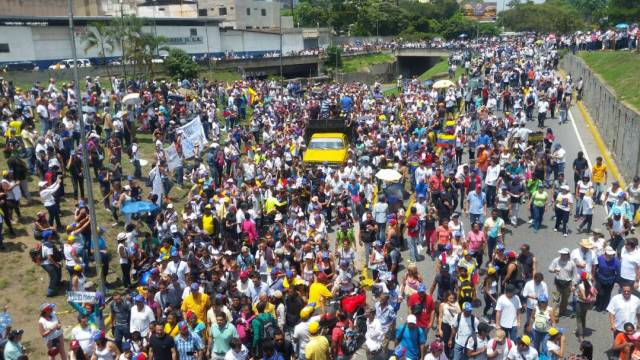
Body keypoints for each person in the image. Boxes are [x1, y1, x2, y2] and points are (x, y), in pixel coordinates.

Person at [548, 248, 576, 317]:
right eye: (561, 254)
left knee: (565, 299)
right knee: (555, 298)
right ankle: (554, 313)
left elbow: (574, 275)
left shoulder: (571, 263)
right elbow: (550, 269)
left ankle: (562, 311)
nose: (562, 255)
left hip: (567, 283)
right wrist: (554, 270)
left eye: (564, 254)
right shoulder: (556, 260)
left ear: (568, 255)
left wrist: (573, 285)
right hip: (557, 282)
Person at [594, 246, 620, 312]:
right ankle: (598, 305)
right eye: (609, 255)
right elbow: (595, 268)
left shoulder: (616, 261)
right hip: (600, 279)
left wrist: (616, 281)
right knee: (600, 293)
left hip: (610, 280)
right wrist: (594, 277)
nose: (610, 256)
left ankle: (605, 306)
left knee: (607, 294)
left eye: (612, 255)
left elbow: (618, 272)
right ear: (605, 253)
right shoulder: (600, 258)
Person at [574, 272, 596, 343]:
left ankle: (581, 336)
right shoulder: (590, 284)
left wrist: (577, 293)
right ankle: (583, 330)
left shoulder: (581, 285)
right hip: (588, 304)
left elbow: (583, 297)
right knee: (583, 317)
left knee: (579, 319)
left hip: (580, 304)